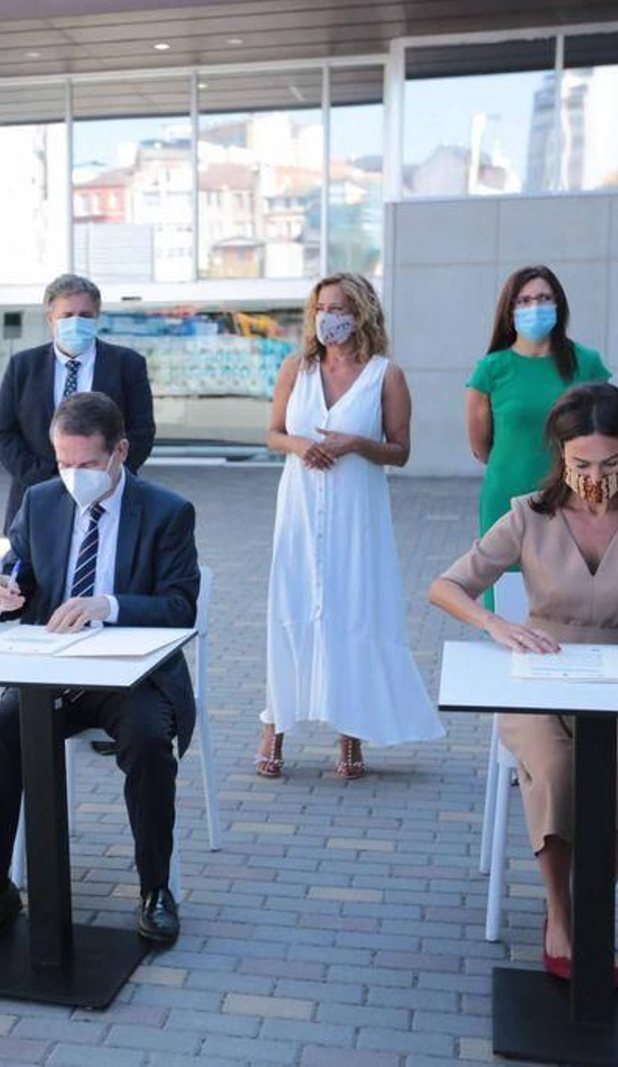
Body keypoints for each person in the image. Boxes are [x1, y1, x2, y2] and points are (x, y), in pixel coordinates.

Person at [428, 382, 618, 984]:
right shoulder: (530, 514)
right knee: (555, 769)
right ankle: (561, 913)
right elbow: (447, 586)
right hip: (541, 678)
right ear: (561, 455)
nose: (594, 476)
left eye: (610, 463)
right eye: (581, 463)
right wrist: (497, 625)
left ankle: (589, 907)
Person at [0, 391, 199, 946]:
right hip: (53, 671)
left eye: (88, 464)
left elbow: (180, 606)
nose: (74, 476)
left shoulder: (167, 511)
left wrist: (108, 605)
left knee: (144, 740)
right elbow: (13, 572)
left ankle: (155, 889)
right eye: (64, 463)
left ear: (120, 451)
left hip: (134, 675)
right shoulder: (41, 501)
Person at [259, 272, 444, 780]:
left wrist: (355, 444)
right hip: (299, 509)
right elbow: (274, 433)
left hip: (355, 512)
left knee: (353, 609)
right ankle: (273, 726)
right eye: (319, 307)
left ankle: (351, 734)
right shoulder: (297, 367)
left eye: (337, 307)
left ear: (360, 312)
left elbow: (401, 451)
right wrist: (302, 445)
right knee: (293, 605)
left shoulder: (386, 375)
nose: (326, 317)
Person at [466, 266, 611, 607]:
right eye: (525, 300)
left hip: (574, 498)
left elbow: (607, 430)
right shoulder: (491, 368)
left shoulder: (586, 363)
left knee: (573, 604)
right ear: (510, 309)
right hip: (507, 499)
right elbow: (480, 446)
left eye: (545, 298)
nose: (535, 307)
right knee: (511, 607)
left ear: (559, 305)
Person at [0, 273, 157, 536]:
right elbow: (3, 433)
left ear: (97, 317)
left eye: (85, 315)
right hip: (36, 499)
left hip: (109, 498)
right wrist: (54, 480)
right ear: (50, 319)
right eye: (67, 315)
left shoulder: (127, 365)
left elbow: (142, 432)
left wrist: (103, 479)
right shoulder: (22, 367)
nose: (76, 322)